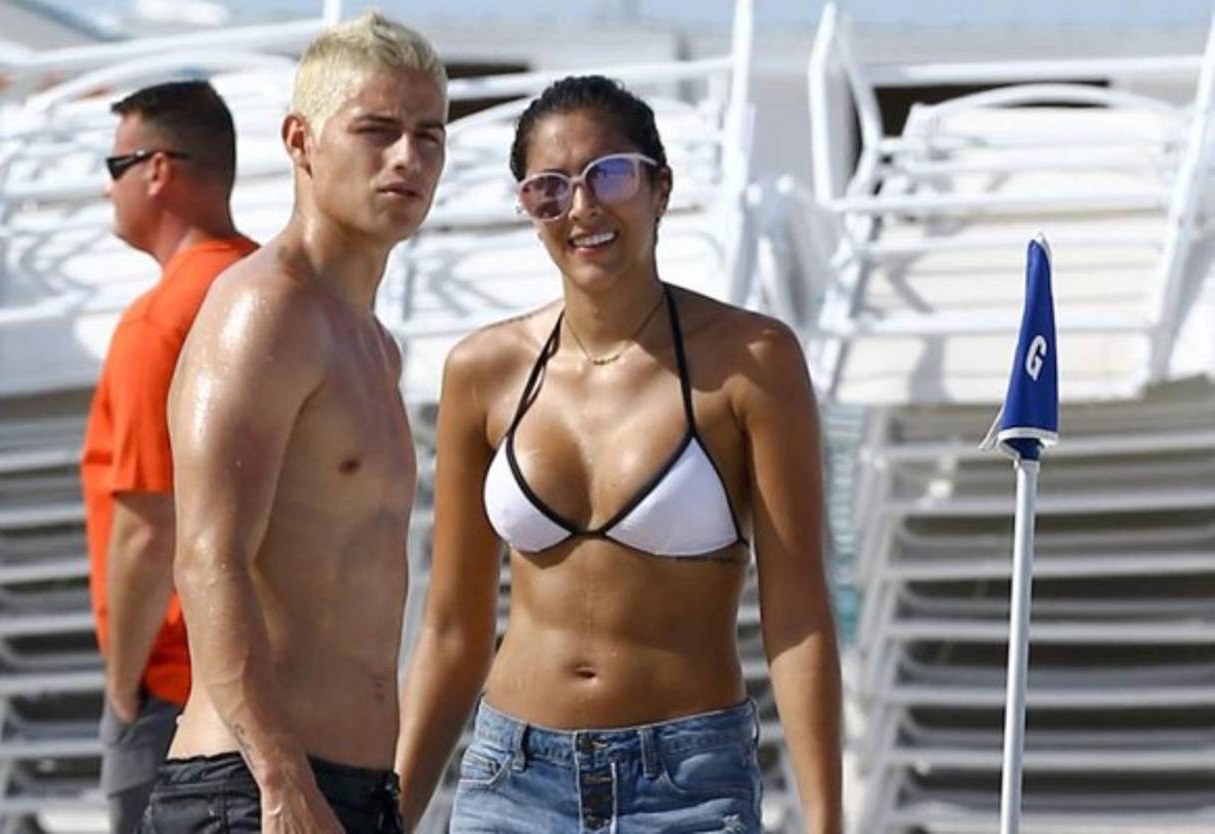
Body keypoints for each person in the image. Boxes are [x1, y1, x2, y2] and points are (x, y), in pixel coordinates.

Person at [396, 75, 843, 834]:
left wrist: (828, 819)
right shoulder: (482, 372)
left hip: (688, 787)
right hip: (511, 779)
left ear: (660, 188)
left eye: (609, 175)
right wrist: (392, 812)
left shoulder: (752, 360)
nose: (583, 208)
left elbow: (797, 614)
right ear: (529, 209)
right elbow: (451, 632)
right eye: (549, 189)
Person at [136, 12, 446, 834]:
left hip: (352, 792)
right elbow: (207, 560)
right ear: (300, 140)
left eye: (429, 135)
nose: (408, 157)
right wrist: (282, 782)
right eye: (376, 130)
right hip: (251, 789)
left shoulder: (373, 343)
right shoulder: (264, 311)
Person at [79, 79, 256, 834]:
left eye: (114, 165)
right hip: (289, 689)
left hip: (181, 697)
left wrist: (123, 696)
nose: (107, 187)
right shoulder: (284, 294)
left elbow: (148, 528)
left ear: (158, 170)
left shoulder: (159, 321)